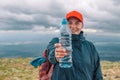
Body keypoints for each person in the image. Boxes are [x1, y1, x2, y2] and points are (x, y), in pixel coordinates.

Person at [46, 10, 103, 80]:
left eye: (77, 23)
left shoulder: (90, 47)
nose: (73, 26)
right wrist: (56, 55)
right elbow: (51, 54)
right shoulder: (57, 41)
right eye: (70, 23)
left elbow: (97, 73)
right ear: (65, 25)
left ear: (82, 25)